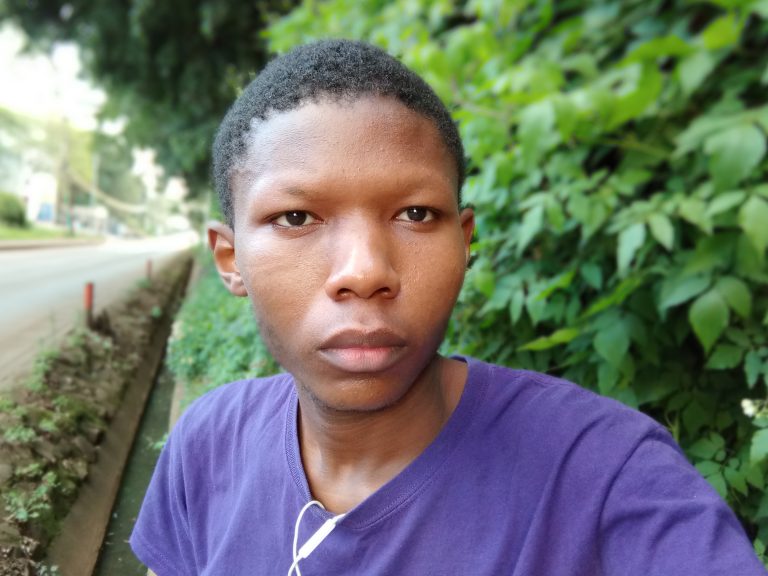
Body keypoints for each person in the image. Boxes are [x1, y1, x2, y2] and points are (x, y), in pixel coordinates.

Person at [130, 39, 766, 575]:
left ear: (464, 243)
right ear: (230, 258)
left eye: (415, 214)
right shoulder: (205, 446)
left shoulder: (607, 480)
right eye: (296, 217)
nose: (364, 272)